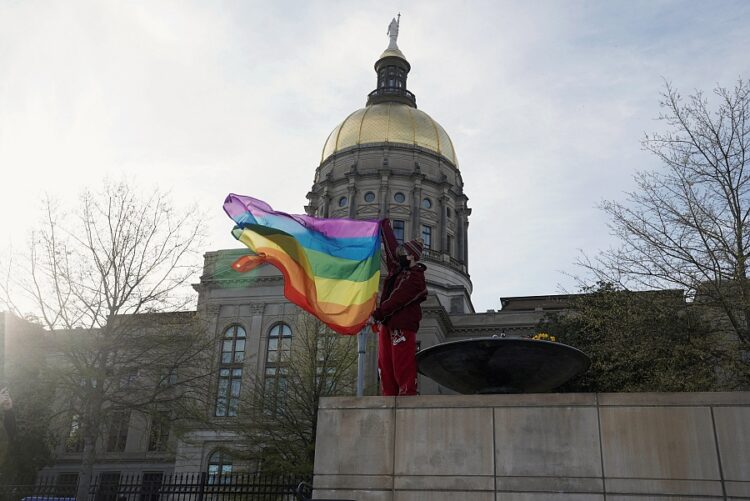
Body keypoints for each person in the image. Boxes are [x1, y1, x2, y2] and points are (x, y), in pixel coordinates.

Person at [371, 219, 427, 396]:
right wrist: (385, 227)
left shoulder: (416, 279)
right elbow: (391, 250)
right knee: (385, 366)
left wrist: (378, 314)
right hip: (387, 324)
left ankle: (406, 398)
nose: (400, 255)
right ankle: (388, 399)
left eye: (404, 253)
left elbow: (398, 299)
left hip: (401, 326)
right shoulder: (398, 269)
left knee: (401, 364)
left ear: (411, 256)